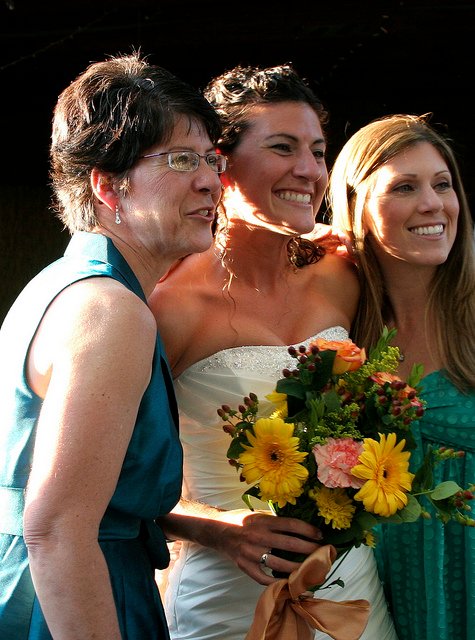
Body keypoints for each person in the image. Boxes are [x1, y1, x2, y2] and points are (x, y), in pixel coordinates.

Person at [149, 64, 398, 640]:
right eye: (283, 148)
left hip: (350, 590)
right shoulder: (170, 307)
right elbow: (107, 483)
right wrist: (217, 529)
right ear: (220, 162)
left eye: (318, 151)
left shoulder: (343, 275)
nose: (309, 170)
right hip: (223, 602)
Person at [0, 52, 223, 639]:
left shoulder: (56, 285)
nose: (211, 180)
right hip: (78, 601)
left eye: (212, 159)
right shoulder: (111, 309)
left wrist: (214, 529)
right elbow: (55, 529)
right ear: (106, 185)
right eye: (181, 159)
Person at [328, 113, 475, 640]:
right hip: (377, 597)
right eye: (405, 187)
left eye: (443, 184)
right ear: (357, 206)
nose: (433, 203)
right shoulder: (337, 337)